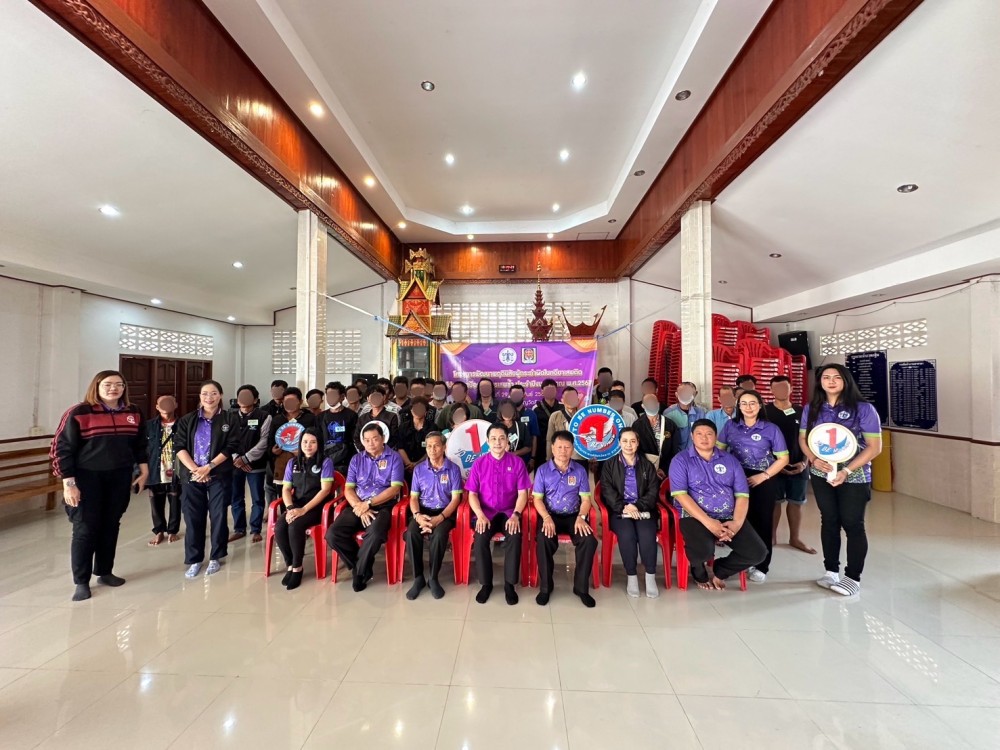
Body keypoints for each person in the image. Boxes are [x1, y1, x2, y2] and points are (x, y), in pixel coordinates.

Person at [51, 370, 149, 601]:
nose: (113, 388)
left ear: (124, 388)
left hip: (119, 476)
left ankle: (104, 571)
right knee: (85, 528)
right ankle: (81, 581)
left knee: (111, 524)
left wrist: (144, 470)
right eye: (107, 384)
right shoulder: (79, 412)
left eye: (118, 384)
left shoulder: (133, 412)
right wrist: (69, 483)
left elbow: (140, 445)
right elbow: (61, 448)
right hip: (86, 478)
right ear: (96, 386)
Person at [799, 364, 882, 597]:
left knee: (853, 523)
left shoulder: (863, 409)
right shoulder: (812, 408)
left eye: (837, 377)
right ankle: (831, 571)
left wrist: (846, 470)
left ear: (846, 380)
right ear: (820, 382)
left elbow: (875, 447)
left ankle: (853, 577)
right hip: (821, 473)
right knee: (829, 520)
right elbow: (803, 439)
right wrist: (814, 459)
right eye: (826, 377)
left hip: (854, 475)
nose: (831, 381)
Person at [669, 420, 766, 590]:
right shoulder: (681, 460)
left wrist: (736, 523)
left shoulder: (730, 460)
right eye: (699, 434)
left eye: (709, 434)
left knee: (758, 553)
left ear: (716, 437)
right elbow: (680, 495)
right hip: (694, 516)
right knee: (704, 551)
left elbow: (742, 495)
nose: (704, 438)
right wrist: (709, 523)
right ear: (692, 436)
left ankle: (721, 570)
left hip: (728, 516)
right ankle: (698, 571)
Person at [717, 390, 789, 584]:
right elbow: (719, 451)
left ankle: (762, 565)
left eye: (752, 403)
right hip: (736, 478)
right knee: (741, 521)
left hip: (764, 479)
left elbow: (783, 458)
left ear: (760, 405)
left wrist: (763, 476)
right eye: (744, 403)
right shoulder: (730, 426)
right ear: (738, 406)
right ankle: (744, 559)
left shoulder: (771, 428)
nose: (748, 407)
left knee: (763, 522)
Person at [327, 422, 405, 591]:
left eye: (375, 439)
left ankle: (359, 572)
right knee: (332, 534)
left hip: (383, 506)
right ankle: (362, 566)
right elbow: (349, 488)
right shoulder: (356, 459)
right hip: (358, 504)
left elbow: (395, 488)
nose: (371, 443)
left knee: (375, 533)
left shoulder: (394, 458)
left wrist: (368, 504)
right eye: (367, 440)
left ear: (383, 439)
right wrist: (359, 506)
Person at [174, 380, 240, 579]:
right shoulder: (188, 419)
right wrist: (195, 470)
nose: (209, 397)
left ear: (220, 395)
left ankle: (216, 556)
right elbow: (179, 446)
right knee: (193, 517)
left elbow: (231, 446)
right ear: (200, 396)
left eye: (213, 393)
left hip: (219, 475)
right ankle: (194, 559)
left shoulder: (230, 418)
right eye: (204, 394)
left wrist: (209, 467)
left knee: (218, 515)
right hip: (192, 475)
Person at [465, 423, 532, 605]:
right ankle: (486, 584)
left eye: (502, 438)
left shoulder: (517, 463)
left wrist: (516, 515)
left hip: (509, 512)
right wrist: (479, 514)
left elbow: (523, 494)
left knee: (514, 536)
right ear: (487, 442)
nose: (497, 442)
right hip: (486, 513)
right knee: (480, 538)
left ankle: (509, 584)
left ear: (507, 441)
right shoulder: (479, 464)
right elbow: (472, 494)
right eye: (493, 439)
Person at [532, 431, 598, 608]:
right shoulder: (543, 470)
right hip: (550, 515)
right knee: (543, 540)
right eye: (559, 447)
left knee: (589, 541)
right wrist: (546, 517)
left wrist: (581, 517)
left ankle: (581, 588)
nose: (563, 451)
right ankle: (546, 587)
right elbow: (537, 499)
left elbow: (586, 500)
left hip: (573, 516)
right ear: (552, 448)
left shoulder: (580, 470)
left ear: (572, 449)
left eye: (567, 447)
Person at [600, 427, 660, 598]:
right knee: (627, 535)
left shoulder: (647, 465)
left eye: (632, 441)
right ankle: (631, 576)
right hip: (620, 511)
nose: (629, 445)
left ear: (638, 443)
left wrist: (637, 506)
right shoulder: (609, 465)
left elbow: (653, 491)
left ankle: (650, 576)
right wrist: (623, 507)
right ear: (619, 443)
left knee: (647, 534)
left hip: (643, 510)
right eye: (625, 441)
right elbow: (607, 490)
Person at [274, 429, 336, 590]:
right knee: (279, 527)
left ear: (319, 444)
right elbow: (286, 489)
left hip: (317, 507)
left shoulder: (325, 462)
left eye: (313, 442)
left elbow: (325, 490)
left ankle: (297, 567)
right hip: (296, 505)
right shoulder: (292, 463)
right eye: (305, 442)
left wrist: (303, 510)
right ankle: (289, 564)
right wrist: (290, 508)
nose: (308, 446)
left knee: (295, 526)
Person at [404, 432, 462, 600]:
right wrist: (417, 515)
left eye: (436, 445)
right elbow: (413, 498)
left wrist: (441, 518)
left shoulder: (453, 469)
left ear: (444, 447)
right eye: (429, 446)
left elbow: (456, 499)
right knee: (411, 533)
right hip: (423, 511)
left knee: (439, 535)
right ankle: (418, 578)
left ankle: (433, 577)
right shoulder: (419, 470)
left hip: (445, 512)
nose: (432, 449)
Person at [765, 375, 815, 554]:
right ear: (771, 390)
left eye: (784, 387)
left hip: (799, 465)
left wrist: (805, 462)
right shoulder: (765, 412)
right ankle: (771, 537)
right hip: (773, 466)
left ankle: (795, 538)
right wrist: (775, 464)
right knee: (774, 502)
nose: (781, 391)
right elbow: (761, 441)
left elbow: (809, 439)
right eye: (777, 388)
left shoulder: (802, 411)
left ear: (791, 389)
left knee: (796, 502)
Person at [229, 384, 271, 543]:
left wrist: (245, 459)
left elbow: (264, 441)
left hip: (256, 464)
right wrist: (236, 459)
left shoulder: (264, 416)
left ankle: (255, 529)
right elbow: (226, 440)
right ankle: (239, 529)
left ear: (255, 399)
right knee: (236, 497)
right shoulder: (230, 416)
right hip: (234, 465)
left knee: (257, 498)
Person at [266, 387, 316, 506]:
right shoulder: (277, 419)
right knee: (283, 494)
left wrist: (303, 452)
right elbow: (270, 442)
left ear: (300, 401)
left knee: (302, 493)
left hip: (303, 463)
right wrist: (273, 451)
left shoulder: (310, 418)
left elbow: (316, 439)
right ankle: (286, 513)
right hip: (281, 464)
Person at [145, 394, 181, 546]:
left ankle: (172, 530)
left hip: (176, 469)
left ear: (176, 405)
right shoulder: (148, 426)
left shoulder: (183, 424)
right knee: (155, 502)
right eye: (162, 403)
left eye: (169, 402)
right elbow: (142, 448)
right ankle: (159, 530)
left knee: (175, 501)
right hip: (155, 468)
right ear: (157, 407)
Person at [632, 392, 680, 480]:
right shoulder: (637, 425)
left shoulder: (669, 424)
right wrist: (651, 468)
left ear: (658, 404)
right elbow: (637, 450)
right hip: (646, 469)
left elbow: (674, 449)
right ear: (643, 406)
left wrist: (664, 469)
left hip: (666, 469)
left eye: (654, 401)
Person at [319, 381, 357, 475]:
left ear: (342, 397)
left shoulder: (351, 415)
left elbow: (355, 438)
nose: (330, 398)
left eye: (333, 395)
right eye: (328, 395)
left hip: (346, 461)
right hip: (326, 460)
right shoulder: (321, 417)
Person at [545, 386, 584, 463]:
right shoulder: (555, 416)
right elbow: (550, 439)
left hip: (581, 458)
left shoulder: (585, 415)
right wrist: (549, 459)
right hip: (561, 458)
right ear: (562, 400)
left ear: (578, 400)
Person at [664, 381, 707, 450]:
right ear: (676, 394)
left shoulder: (702, 413)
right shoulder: (669, 413)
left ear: (695, 394)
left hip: (696, 453)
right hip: (677, 453)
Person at [396, 397, 435, 475]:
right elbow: (400, 447)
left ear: (426, 411)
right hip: (405, 467)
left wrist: (417, 464)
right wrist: (409, 464)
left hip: (426, 467)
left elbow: (432, 449)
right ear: (411, 410)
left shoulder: (433, 428)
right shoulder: (403, 427)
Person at [355, 385, 399, 450]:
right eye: (373, 396)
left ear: (384, 397)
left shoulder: (392, 416)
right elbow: (357, 437)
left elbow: (394, 438)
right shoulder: (362, 418)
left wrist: (381, 451)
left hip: (385, 452)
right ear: (368, 399)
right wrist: (366, 450)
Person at [508, 384, 540, 470]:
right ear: (509, 396)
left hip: (526, 459)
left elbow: (534, 437)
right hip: (508, 459)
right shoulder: (504, 414)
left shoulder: (531, 414)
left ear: (524, 396)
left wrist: (532, 458)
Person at [533, 378, 563, 468]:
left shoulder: (563, 407)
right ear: (542, 392)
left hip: (560, 446)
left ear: (556, 391)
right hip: (541, 448)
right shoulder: (536, 408)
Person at [496, 398, 532, 463]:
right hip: (499, 462)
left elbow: (528, 447)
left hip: (517, 462)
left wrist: (515, 453)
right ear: (500, 412)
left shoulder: (521, 426)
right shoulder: (494, 427)